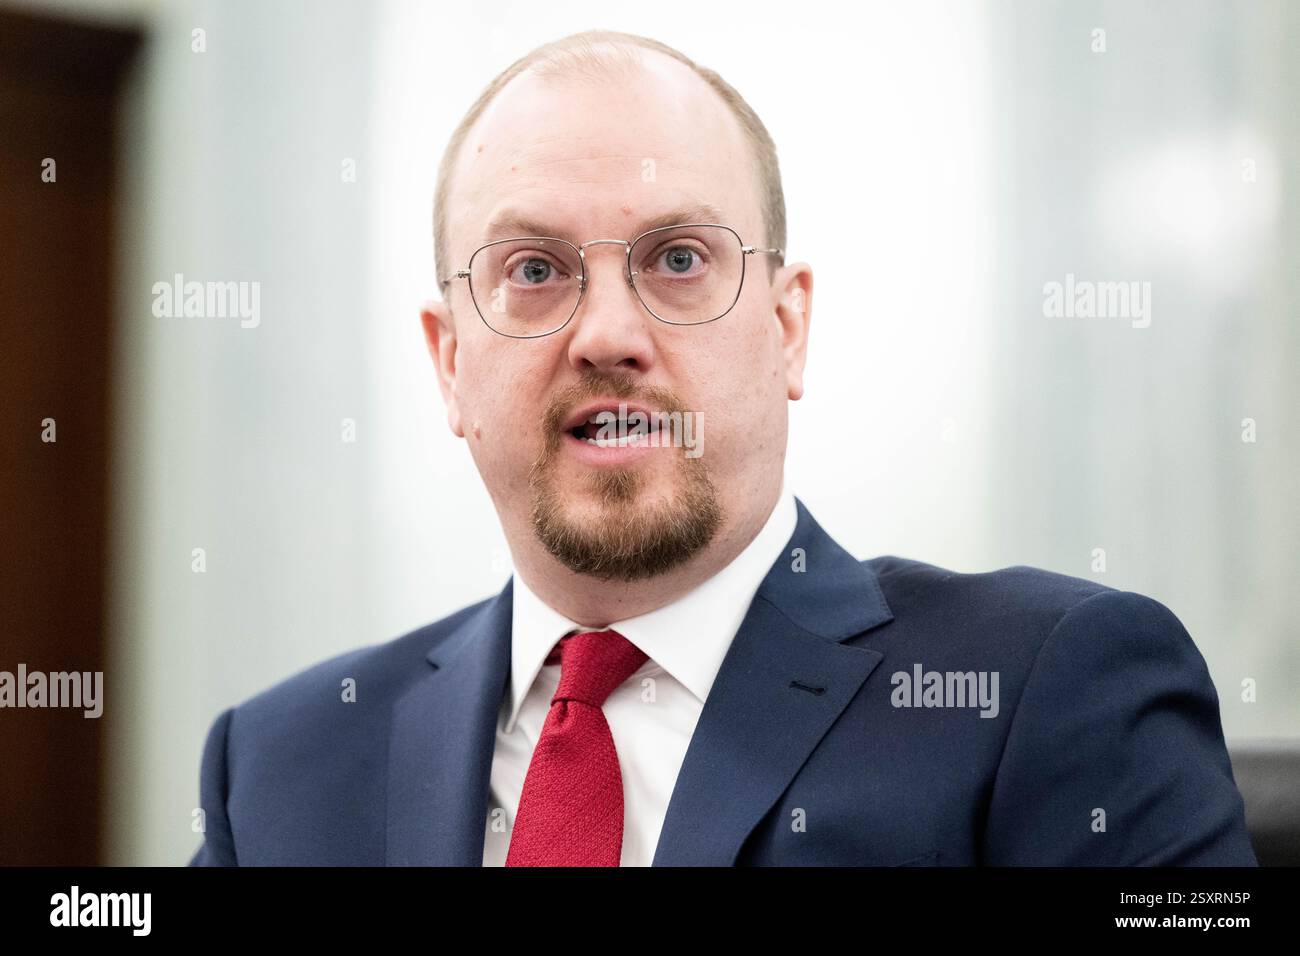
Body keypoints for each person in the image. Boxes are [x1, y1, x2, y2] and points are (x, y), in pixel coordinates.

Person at [189, 29, 1256, 866]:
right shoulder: (282, 762)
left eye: (680, 257)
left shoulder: (1047, 687)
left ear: (786, 327)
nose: (608, 334)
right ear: (449, 362)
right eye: (532, 269)